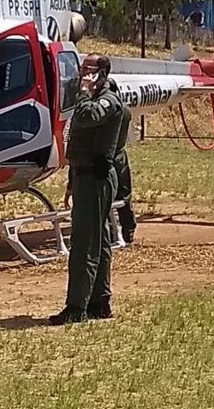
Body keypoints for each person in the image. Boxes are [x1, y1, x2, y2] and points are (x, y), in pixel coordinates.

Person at [49, 53, 124, 325]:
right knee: (99, 240)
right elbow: (80, 142)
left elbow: (86, 118)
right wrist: (72, 181)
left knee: (84, 243)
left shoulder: (106, 100)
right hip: (85, 176)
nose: (83, 74)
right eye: (82, 68)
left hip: (97, 178)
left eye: (88, 70)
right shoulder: (94, 98)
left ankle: (76, 307)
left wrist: (82, 93)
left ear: (101, 73)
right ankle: (98, 302)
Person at [109, 79, 137, 244]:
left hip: (109, 156)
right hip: (121, 156)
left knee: (106, 195)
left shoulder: (109, 110)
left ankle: (112, 229)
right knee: (124, 194)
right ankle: (129, 228)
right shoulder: (125, 110)